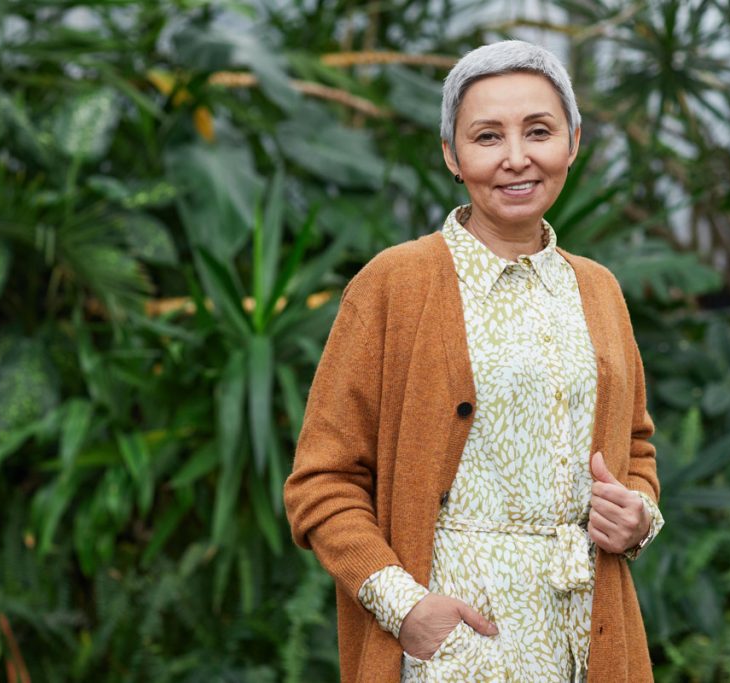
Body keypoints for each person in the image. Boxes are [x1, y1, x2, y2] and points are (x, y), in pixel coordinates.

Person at [284, 40, 664, 683]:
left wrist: (639, 517)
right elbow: (321, 483)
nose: (516, 158)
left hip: (586, 636)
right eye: (487, 136)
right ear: (452, 156)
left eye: (538, 131)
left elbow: (636, 447)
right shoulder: (394, 285)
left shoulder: (597, 290)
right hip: (457, 646)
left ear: (572, 142)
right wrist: (405, 610)